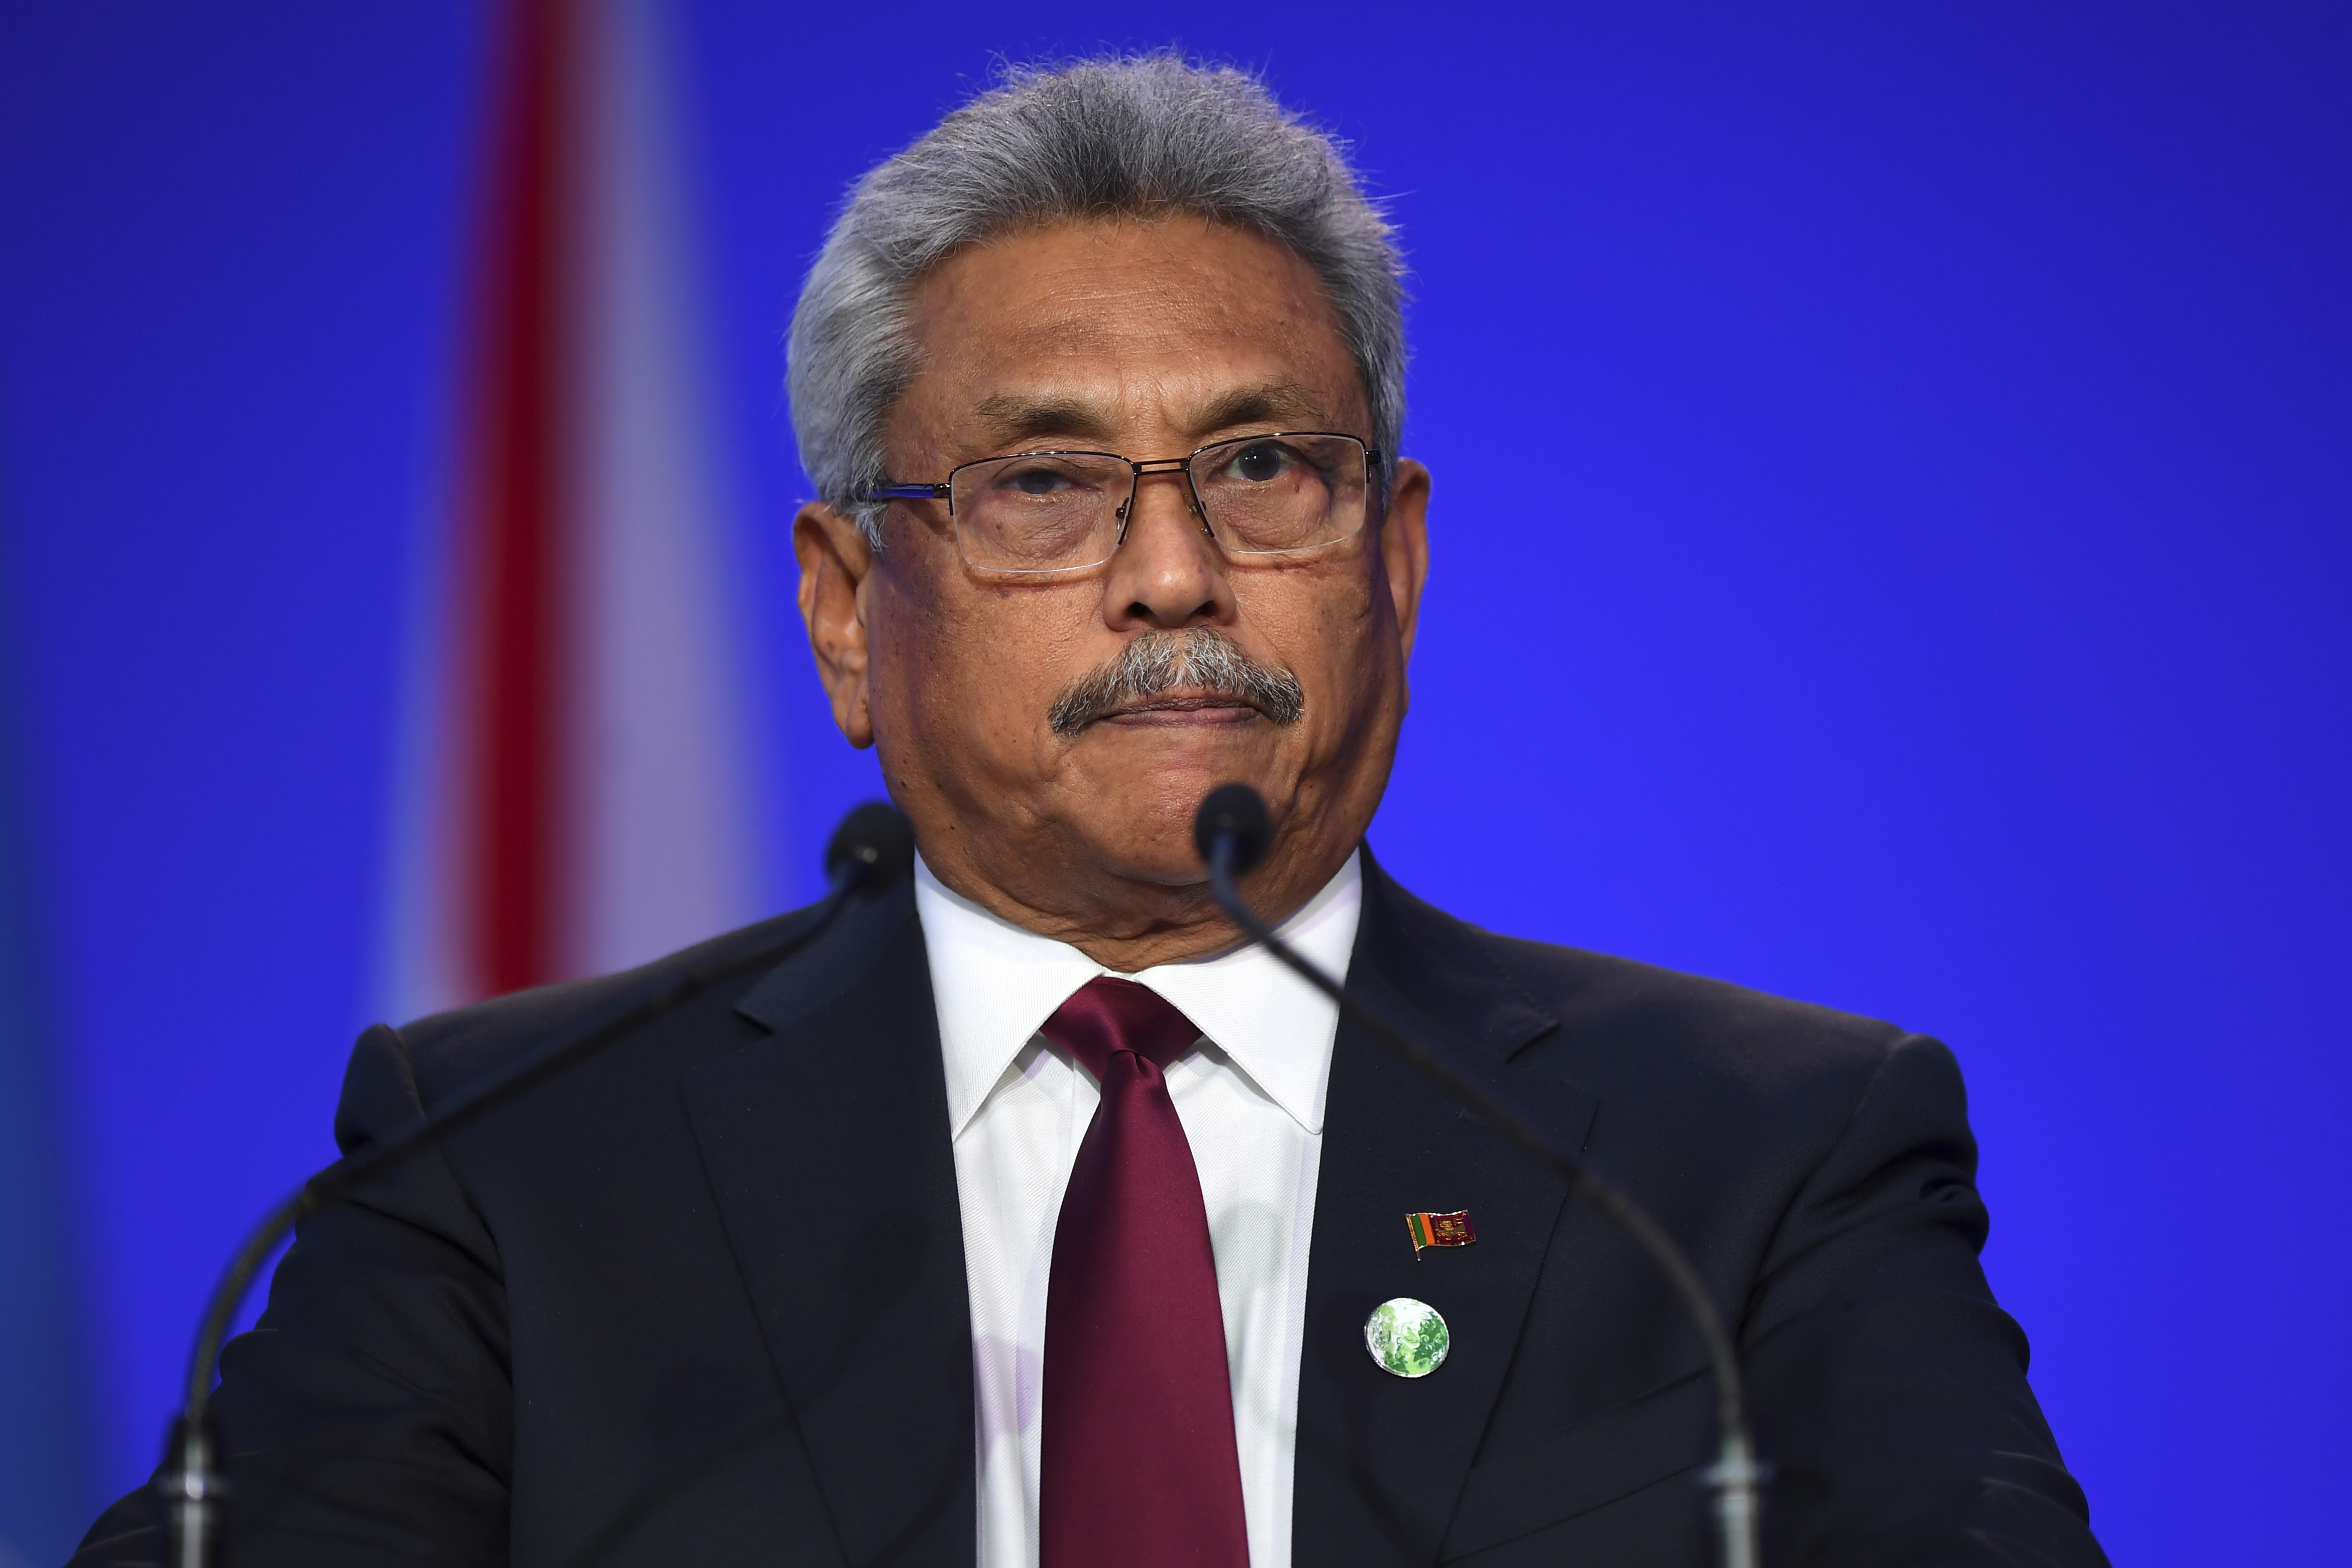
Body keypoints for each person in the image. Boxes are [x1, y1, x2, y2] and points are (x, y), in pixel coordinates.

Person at [72, 54, 2106, 1568]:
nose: (1172, 574)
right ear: (850, 612)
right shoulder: (510, 1161)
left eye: (1263, 467)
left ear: (1392, 569)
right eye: (1043, 485)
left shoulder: (1752, 1164)